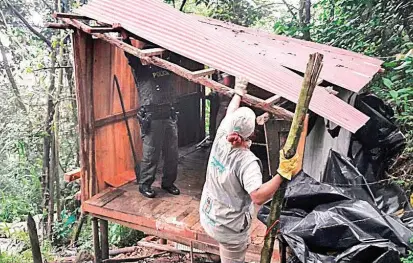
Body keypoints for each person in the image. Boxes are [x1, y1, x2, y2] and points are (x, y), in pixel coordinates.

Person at [199, 77, 300, 263]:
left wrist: (239, 92)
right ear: (252, 132)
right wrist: (282, 174)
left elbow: (231, 113)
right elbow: (258, 196)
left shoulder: (222, 135)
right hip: (229, 228)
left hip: (209, 215)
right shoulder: (247, 162)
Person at [121, 30, 180, 198]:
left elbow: (176, 56)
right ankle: (145, 184)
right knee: (151, 154)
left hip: (168, 115)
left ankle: (168, 183)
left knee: (172, 153)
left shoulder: (167, 68)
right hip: (152, 117)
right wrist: (125, 38)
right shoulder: (142, 71)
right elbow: (131, 57)